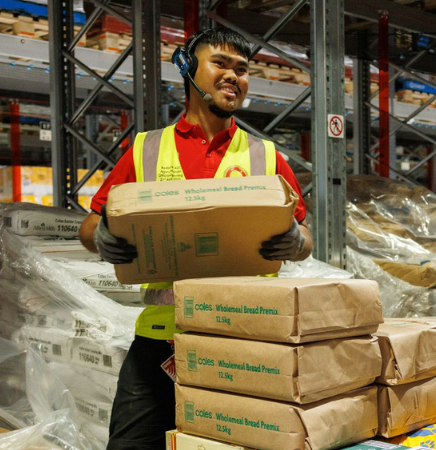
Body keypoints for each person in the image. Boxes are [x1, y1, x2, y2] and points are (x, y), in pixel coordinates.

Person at [79, 27, 313, 450]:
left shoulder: (265, 156)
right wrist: (104, 235)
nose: (234, 77)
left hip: (245, 339)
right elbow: (90, 226)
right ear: (188, 69)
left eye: (242, 70)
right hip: (161, 336)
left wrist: (298, 242)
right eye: (220, 64)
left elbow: (304, 233)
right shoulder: (146, 150)